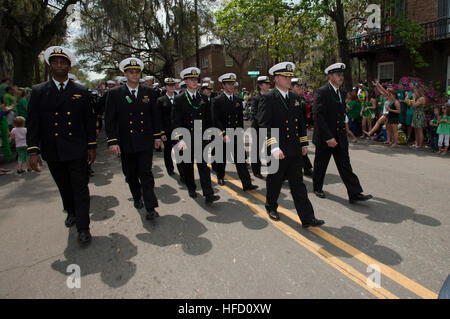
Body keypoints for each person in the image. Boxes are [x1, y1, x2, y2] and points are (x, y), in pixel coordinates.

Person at [26, 46, 97, 245]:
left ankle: (84, 227)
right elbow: (33, 123)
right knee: (64, 186)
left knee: (80, 187)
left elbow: (88, 121)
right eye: (55, 62)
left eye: (63, 62)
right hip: (53, 148)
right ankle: (71, 211)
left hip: (76, 147)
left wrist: (92, 146)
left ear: (68, 66)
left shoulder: (80, 91)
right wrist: (33, 150)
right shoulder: (39, 91)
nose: (59, 65)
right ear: (50, 66)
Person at [258, 62, 324, 228]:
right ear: (277, 79)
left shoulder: (295, 98)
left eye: (289, 76)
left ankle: (307, 218)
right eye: (286, 77)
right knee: (275, 181)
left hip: (294, 148)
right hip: (277, 149)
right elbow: (264, 125)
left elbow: (300, 122)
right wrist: (273, 146)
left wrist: (303, 143)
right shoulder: (268, 98)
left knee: (298, 184)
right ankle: (271, 206)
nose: (289, 80)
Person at [105, 57, 163, 220]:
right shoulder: (115, 93)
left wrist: (157, 136)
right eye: (131, 72)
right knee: (130, 174)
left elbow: (155, 116)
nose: (135, 74)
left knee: (145, 173)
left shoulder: (149, 93)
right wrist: (113, 141)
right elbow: (110, 119)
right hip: (125, 141)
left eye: (137, 72)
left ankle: (151, 207)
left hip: (144, 139)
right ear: (125, 74)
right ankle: (137, 196)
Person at [312, 63, 372, 204]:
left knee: (345, 165)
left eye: (342, 75)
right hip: (326, 137)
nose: (341, 77)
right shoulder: (322, 92)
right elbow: (319, 117)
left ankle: (355, 193)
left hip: (339, 136)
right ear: (330, 76)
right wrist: (328, 137)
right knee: (321, 165)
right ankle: (317, 187)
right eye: (338, 75)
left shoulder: (342, 92)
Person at [171, 67, 220, 204]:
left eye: (195, 79)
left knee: (203, 165)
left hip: (201, 138)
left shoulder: (203, 98)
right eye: (191, 79)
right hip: (186, 138)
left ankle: (208, 193)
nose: (194, 82)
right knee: (188, 166)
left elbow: (208, 119)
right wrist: (179, 139)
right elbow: (176, 120)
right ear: (185, 81)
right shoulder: (179, 99)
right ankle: (191, 188)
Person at [212, 73, 258, 191]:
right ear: (223, 85)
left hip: (235, 134)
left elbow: (239, 119)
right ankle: (220, 176)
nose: (231, 86)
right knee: (221, 158)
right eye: (228, 84)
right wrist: (223, 134)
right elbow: (216, 119)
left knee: (240, 160)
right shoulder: (217, 100)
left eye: (232, 84)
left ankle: (247, 184)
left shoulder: (238, 99)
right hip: (223, 134)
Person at [156, 77, 184, 180]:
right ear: (165, 87)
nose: (172, 87)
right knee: (168, 151)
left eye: (173, 85)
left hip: (178, 131)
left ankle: (182, 174)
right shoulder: (160, 100)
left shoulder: (179, 98)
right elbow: (158, 118)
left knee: (180, 152)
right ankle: (169, 168)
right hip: (167, 131)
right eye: (169, 86)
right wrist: (161, 132)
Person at [291, 78, 313, 177]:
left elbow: (302, 117)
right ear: (291, 87)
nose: (299, 88)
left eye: (300, 86)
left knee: (301, 149)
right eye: (297, 86)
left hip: (299, 129)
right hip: (290, 131)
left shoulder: (300, 99)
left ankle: (307, 168)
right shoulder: (288, 99)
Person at [250, 76, 271, 179]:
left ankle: (273, 170)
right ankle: (256, 170)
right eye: (265, 84)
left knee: (271, 149)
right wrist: (263, 123)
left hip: (270, 128)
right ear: (260, 86)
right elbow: (254, 113)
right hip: (258, 128)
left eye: (268, 84)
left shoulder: (272, 97)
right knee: (257, 149)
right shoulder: (256, 98)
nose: (268, 85)